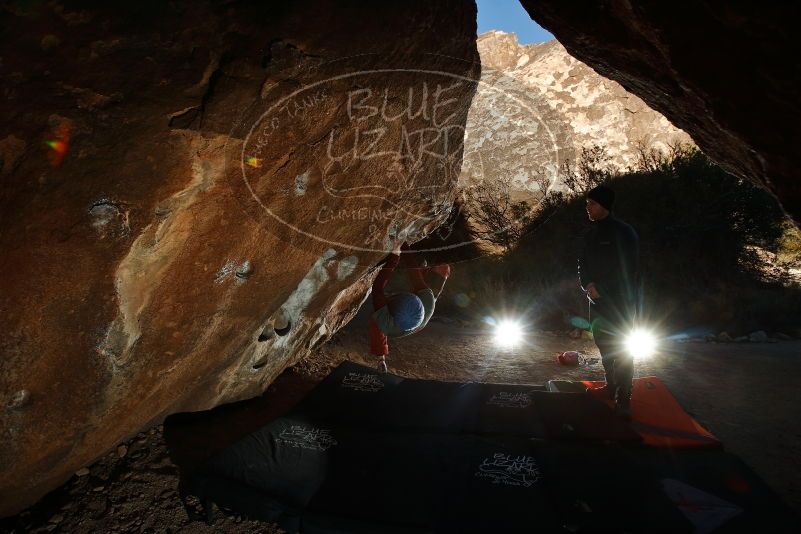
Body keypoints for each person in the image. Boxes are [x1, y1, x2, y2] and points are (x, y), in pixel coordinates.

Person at [578, 185, 639, 418]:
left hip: (620, 302)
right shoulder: (590, 234)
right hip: (597, 302)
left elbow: (628, 268)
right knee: (604, 345)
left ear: (604, 205)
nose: (588, 208)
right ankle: (611, 386)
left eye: (591, 203)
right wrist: (588, 285)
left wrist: (602, 289)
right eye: (587, 204)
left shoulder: (625, 233)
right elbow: (581, 264)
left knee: (622, 349)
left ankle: (624, 400)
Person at [369, 244, 450, 372]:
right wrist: (403, 245)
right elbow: (412, 270)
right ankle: (425, 270)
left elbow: (378, 287)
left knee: (376, 324)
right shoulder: (427, 298)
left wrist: (394, 258)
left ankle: (381, 360)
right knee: (443, 269)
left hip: (412, 324)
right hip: (424, 308)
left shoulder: (387, 324)